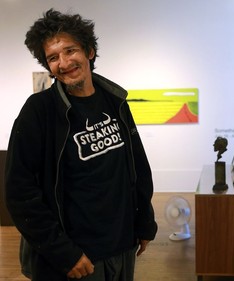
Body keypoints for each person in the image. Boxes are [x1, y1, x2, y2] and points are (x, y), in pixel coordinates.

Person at [5, 9, 158, 281]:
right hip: (77, 258)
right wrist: (63, 253)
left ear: (89, 51)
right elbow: (20, 192)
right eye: (53, 58)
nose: (63, 63)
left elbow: (137, 166)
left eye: (70, 50)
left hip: (122, 245)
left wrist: (144, 222)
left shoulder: (115, 102)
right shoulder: (38, 111)